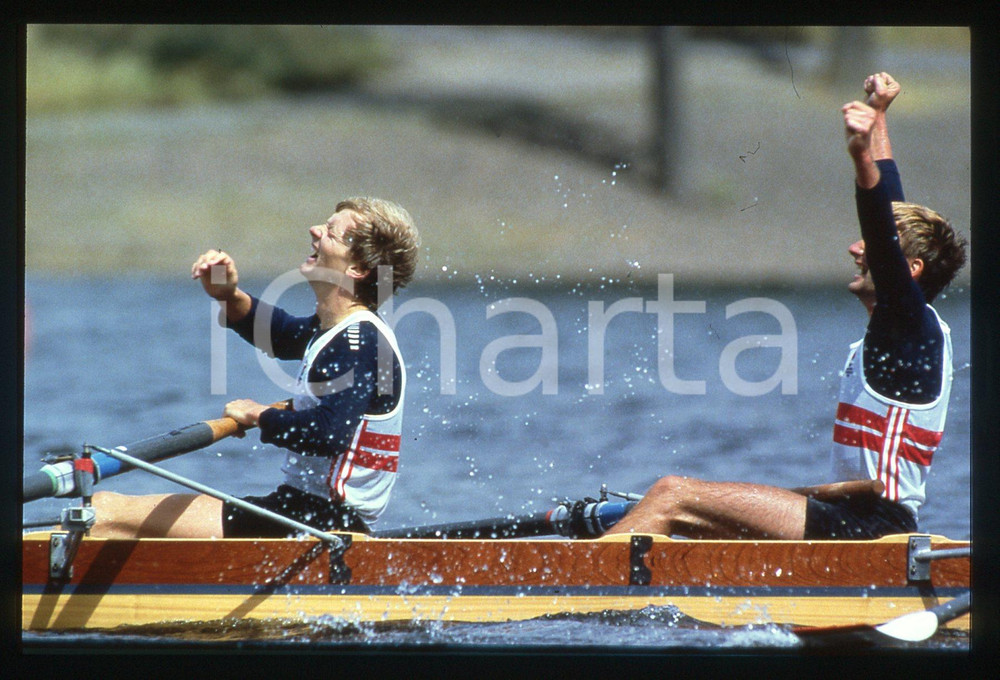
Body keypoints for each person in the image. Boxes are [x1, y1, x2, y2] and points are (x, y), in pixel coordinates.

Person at [606, 72, 967, 540]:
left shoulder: (910, 323)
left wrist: (858, 155)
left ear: (910, 269)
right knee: (692, 513)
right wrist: (879, 114)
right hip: (850, 514)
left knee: (672, 494)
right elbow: (891, 202)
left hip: (873, 529)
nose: (856, 249)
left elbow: (881, 217)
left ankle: (581, 589)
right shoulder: (908, 327)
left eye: (874, 245)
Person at [90, 197, 420, 538]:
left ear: (359, 269)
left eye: (331, 232)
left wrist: (259, 415)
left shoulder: (359, 343)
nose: (315, 230)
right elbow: (279, 335)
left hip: (320, 524)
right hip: (302, 513)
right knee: (106, 515)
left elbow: (327, 434)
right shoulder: (338, 331)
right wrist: (228, 295)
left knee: (102, 512)